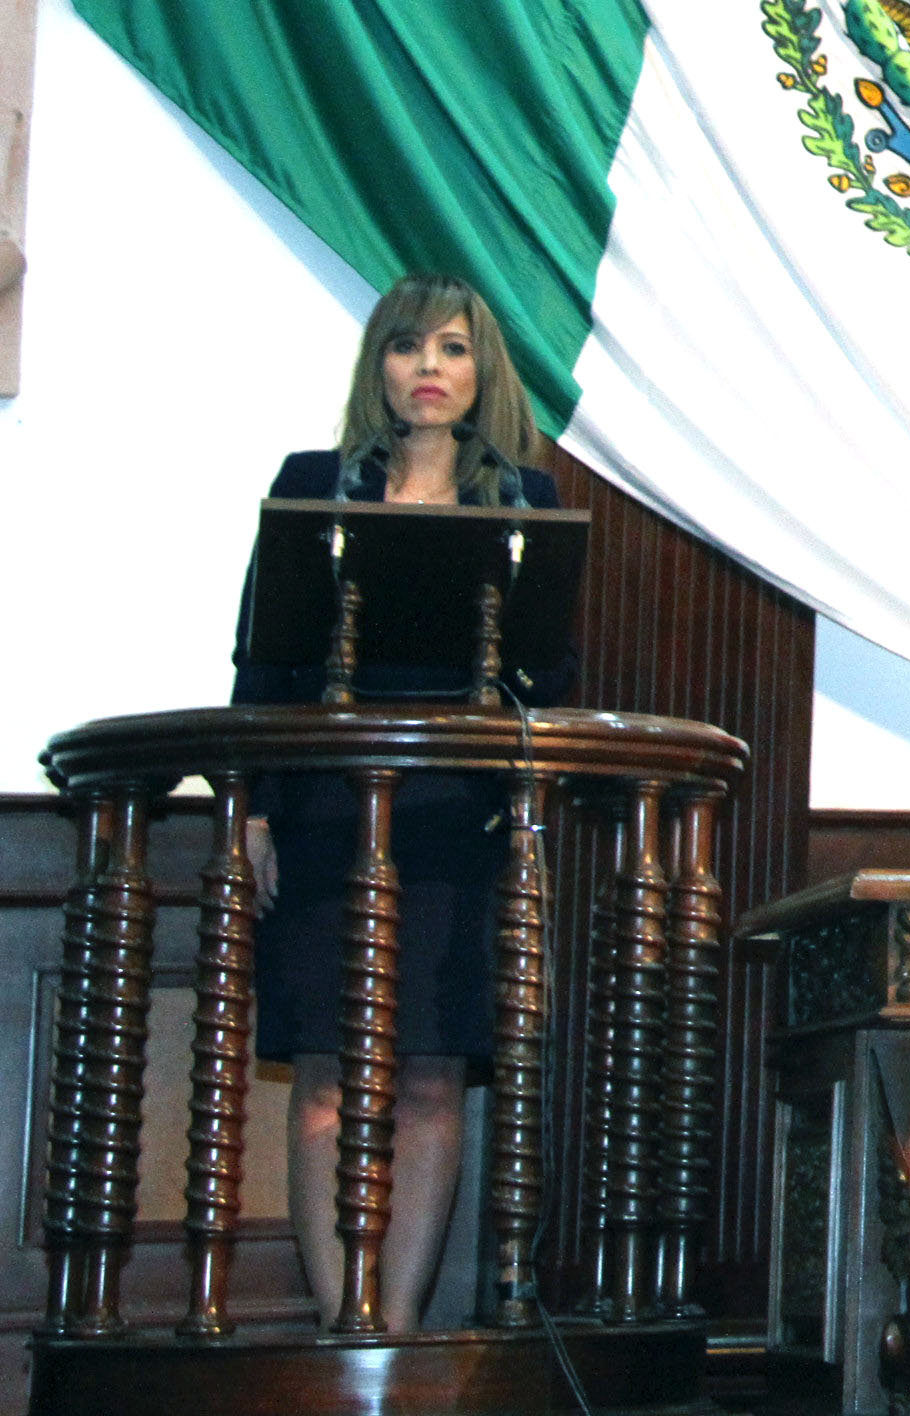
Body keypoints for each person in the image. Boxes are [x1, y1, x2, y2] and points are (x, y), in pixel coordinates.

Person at [233, 273, 569, 1331]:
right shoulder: (313, 483)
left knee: (429, 1076)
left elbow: (550, 679)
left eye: (454, 348)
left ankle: (399, 1331)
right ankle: (345, 1330)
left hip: (456, 825)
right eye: (408, 345)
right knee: (326, 1075)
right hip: (323, 816)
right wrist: (251, 812)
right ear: (378, 364)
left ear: (482, 372)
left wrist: (525, 828)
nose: (429, 367)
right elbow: (262, 662)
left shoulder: (524, 501)